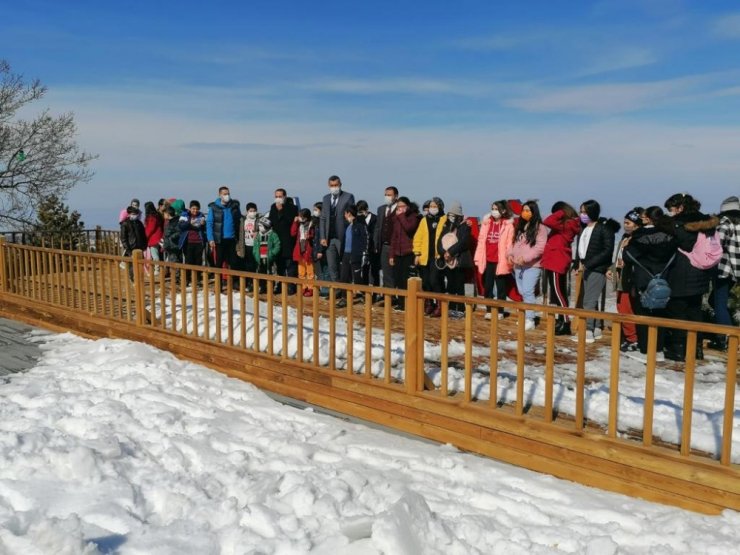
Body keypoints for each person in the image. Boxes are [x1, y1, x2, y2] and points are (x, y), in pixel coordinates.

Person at [662, 193, 719, 361]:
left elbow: (685, 244)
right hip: (701, 273)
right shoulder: (706, 222)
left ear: (680, 207)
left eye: (671, 209)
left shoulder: (681, 224)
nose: (671, 213)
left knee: (677, 311)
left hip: (682, 272)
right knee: (695, 311)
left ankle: (679, 349)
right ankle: (696, 349)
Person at [624, 206, 676, 356]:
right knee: (660, 315)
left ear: (647, 218)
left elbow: (628, 257)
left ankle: (645, 348)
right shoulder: (669, 235)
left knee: (642, 315)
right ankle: (658, 347)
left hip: (642, 280)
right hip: (662, 279)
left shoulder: (639, 236)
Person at [575, 200, 618, 343]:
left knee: (588, 300)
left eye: (585, 212)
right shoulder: (583, 228)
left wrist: (588, 264)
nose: (582, 214)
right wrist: (578, 263)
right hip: (586, 267)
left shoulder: (604, 229)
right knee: (591, 299)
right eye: (581, 211)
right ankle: (597, 326)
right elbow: (580, 249)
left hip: (597, 268)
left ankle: (588, 330)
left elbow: (607, 251)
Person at [507, 200, 548, 330]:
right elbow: (514, 244)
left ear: (533, 212)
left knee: (528, 291)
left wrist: (525, 258)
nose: (525, 213)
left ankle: (530, 319)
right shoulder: (521, 226)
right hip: (518, 266)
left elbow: (540, 248)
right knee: (522, 291)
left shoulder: (540, 228)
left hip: (532, 265)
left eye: (528, 210)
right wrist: (510, 255)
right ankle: (527, 316)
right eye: (523, 210)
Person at [541, 201, 581, 334]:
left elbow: (547, 221)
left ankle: (565, 322)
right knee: (560, 292)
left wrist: (562, 212)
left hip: (556, 261)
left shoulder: (567, 224)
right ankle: (561, 319)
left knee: (558, 293)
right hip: (557, 260)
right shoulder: (567, 224)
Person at [475, 200, 517, 320]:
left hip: (500, 261)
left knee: (501, 288)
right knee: (487, 286)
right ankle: (489, 309)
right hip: (487, 259)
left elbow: (509, 244)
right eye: (492, 208)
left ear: (503, 211)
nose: (494, 211)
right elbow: (481, 241)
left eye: (496, 209)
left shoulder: (508, 225)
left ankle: (500, 311)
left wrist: (509, 259)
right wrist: (478, 257)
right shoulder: (486, 223)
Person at [608, 208, 643, 351]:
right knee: (621, 307)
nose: (626, 225)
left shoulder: (637, 240)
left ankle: (633, 338)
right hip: (621, 277)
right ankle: (629, 336)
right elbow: (618, 257)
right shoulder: (624, 237)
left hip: (629, 279)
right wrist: (611, 269)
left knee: (626, 308)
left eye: (629, 222)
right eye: (624, 222)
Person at [711, 196, 740, 351]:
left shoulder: (725, 223)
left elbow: (717, 244)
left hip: (724, 269)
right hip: (736, 270)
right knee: (716, 301)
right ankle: (730, 332)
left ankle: (726, 337)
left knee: (718, 303)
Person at [437, 201, 473, 318]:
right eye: (449, 214)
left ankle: (461, 309)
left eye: (453, 215)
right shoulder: (447, 226)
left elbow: (463, 243)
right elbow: (439, 242)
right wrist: (444, 253)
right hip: (447, 261)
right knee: (451, 286)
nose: (450, 217)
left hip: (459, 260)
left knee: (459, 285)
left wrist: (451, 252)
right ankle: (452, 308)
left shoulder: (465, 226)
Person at [413, 197, 446, 316]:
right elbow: (418, 237)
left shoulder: (444, 219)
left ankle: (439, 305)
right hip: (425, 255)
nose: (432, 208)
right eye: (431, 206)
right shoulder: (424, 220)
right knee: (426, 281)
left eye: (435, 206)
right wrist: (417, 253)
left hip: (438, 256)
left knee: (435, 280)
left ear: (440, 207)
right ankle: (429, 304)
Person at [319, 175, 355, 283]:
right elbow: (323, 218)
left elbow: (352, 215)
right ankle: (336, 290)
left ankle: (346, 291)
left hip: (342, 237)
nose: (334, 187)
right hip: (329, 238)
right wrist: (322, 237)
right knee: (332, 266)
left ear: (340, 185)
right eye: (332, 185)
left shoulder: (348, 197)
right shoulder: (325, 198)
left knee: (345, 265)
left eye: (336, 185)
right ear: (328, 186)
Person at [389, 197, 422, 311]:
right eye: (398, 207)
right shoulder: (396, 218)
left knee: (406, 279)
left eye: (402, 206)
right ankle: (401, 302)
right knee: (398, 279)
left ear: (408, 206)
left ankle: (408, 303)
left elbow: (409, 228)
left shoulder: (413, 217)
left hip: (409, 253)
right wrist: (391, 255)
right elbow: (394, 237)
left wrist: (401, 216)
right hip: (398, 253)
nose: (400, 209)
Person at [206, 186, 241, 288]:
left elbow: (239, 220)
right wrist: (210, 238)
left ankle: (234, 283)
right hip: (219, 239)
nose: (227, 196)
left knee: (234, 261)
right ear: (220, 195)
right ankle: (219, 284)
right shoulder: (214, 207)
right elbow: (209, 223)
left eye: (228, 193)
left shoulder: (234, 206)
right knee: (219, 262)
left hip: (232, 238)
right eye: (225, 194)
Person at [336, 204, 369, 308]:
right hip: (346, 254)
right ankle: (344, 298)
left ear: (348, 213)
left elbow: (366, 239)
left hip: (356, 254)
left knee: (358, 277)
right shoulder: (348, 225)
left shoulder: (360, 224)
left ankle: (365, 295)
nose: (344, 215)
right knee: (343, 277)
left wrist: (365, 253)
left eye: (345, 213)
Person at [269, 188, 299, 294]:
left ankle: (291, 286)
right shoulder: (273, 207)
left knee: (290, 265)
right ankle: (280, 285)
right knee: (279, 265)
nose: (278, 198)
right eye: (276, 196)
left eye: (280, 196)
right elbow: (272, 221)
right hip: (277, 240)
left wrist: (281, 209)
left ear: (285, 196)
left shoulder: (292, 208)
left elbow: (290, 221)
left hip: (289, 240)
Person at [374, 186, 399, 295]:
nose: (387, 197)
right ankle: (388, 296)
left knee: (395, 272)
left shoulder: (399, 209)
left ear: (396, 196)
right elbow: (378, 228)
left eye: (389, 195)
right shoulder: (381, 209)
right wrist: (376, 243)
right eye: (386, 195)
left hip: (396, 246)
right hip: (384, 245)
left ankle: (395, 296)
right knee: (385, 271)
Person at [178, 200, 207, 284]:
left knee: (198, 261)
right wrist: (189, 223)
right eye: (193, 208)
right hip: (188, 242)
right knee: (188, 261)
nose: (195, 210)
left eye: (197, 209)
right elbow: (180, 226)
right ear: (190, 208)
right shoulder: (185, 215)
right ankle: (187, 278)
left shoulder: (201, 216)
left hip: (198, 241)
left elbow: (204, 229)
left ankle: (197, 278)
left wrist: (203, 224)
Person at [291, 208, 316, 297]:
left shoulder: (311, 225)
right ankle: (303, 287)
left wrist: (309, 236)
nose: (300, 218)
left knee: (310, 271)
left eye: (301, 216)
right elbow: (293, 233)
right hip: (300, 250)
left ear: (306, 217)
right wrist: (295, 222)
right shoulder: (299, 225)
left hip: (308, 250)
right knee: (301, 271)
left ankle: (310, 288)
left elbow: (313, 235)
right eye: (299, 216)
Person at [253, 217, 281, 294]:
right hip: (260, 258)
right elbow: (255, 246)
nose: (259, 228)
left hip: (270, 258)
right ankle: (262, 287)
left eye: (261, 226)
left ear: (266, 226)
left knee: (271, 273)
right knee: (261, 273)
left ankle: (272, 288)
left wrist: (272, 253)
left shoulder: (273, 235)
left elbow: (277, 245)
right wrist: (255, 254)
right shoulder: (258, 236)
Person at [120, 206, 147, 280]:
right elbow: (123, 238)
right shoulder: (125, 224)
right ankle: (132, 278)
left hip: (140, 247)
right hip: (131, 248)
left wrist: (145, 245)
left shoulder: (139, 223)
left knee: (141, 264)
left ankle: (140, 279)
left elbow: (144, 235)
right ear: (129, 214)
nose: (135, 215)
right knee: (131, 266)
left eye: (136, 214)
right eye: (133, 214)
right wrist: (128, 250)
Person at [356, 200, 378, 287]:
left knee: (374, 271)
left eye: (362, 212)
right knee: (364, 270)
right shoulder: (358, 220)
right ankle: (365, 293)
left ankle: (375, 293)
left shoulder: (375, 218)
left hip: (373, 248)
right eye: (359, 212)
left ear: (367, 209)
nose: (361, 214)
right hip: (363, 249)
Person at [236, 202, 259, 277]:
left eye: (254, 211)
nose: (253, 213)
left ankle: (254, 281)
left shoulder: (259, 220)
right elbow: (239, 235)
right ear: (247, 211)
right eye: (251, 211)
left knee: (255, 264)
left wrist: (258, 233)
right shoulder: (242, 221)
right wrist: (238, 248)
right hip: (245, 245)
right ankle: (248, 282)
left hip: (255, 245)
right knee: (246, 264)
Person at [311, 202, 329, 295]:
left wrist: (321, 250)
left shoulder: (324, 222)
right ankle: (321, 288)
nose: (314, 212)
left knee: (325, 270)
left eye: (316, 210)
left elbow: (322, 238)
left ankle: (325, 290)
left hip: (322, 250)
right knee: (318, 271)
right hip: (315, 249)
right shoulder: (314, 221)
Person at [143, 201, 164, 275]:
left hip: (153, 238)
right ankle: (160, 269)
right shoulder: (157, 215)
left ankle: (157, 269)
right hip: (159, 237)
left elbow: (150, 229)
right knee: (159, 254)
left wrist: (145, 236)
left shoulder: (151, 217)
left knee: (155, 254)